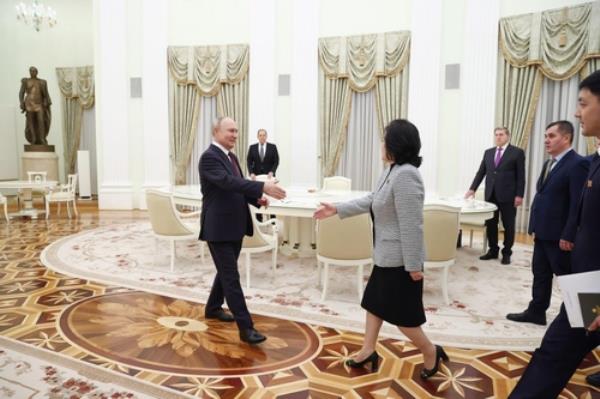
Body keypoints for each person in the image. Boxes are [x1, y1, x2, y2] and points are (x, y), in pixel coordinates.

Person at [313, 119, 448, 378]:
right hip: (385, 255)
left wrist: (414, 266)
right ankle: (367, 350)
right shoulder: (390, 170)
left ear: (396, 144)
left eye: (385, 138)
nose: (381, 143)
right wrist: (337, 209)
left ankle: (431, 351)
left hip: (401, 261)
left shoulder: (407, 174)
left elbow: (412, 225)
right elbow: (372, 199)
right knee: (374, 304)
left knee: (404, 318)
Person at [508, 70, 600, 398]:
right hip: (588, 285)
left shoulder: (581, 163)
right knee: (554, 353)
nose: (578, 112)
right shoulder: (596, 160)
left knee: (554, 354)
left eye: (584, 103)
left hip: (594, 289)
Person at [199, 117, 286, 345]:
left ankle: (213, 307)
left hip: (234, 225)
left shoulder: (232, 157)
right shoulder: (209, 158)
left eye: (237, 131)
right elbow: (228, 182)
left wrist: (257, 199)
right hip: (217, 228)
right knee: (231, 277)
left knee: (225, 272)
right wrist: (263, 185)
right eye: (230, 131)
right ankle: (246, 329)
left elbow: (237, 187)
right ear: (216, 131)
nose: (235, 135)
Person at [506, 121, 588, 326]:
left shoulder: (578, 163)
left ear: (566, 138)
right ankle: (536, 311)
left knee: (567, 277)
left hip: (560, 235)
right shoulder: (549, 163)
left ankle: (579, 318)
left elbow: (577, 203)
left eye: (551, 136)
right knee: (540, 273)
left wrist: (569, 234)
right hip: (543, 231)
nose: (546, 140)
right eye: (545, 136)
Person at [465, 127, 525, 264]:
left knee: (508, 225)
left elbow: (521, 176)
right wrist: (472, 189)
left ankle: (507, 253)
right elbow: (481, 172)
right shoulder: (488, 153)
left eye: (501, 135)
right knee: (491, 224)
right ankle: (493, 250)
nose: (498, 137)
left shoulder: (517, 153)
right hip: (490, 195)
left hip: (508, 196)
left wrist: (519, 195)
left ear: (507, 136)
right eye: (496, 135)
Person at [19, 66, 52, 145]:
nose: (32, 72)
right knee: (31, 123)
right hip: (29, 104)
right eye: (31, 71)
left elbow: (46, 94)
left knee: (41, 121)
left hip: (39, 104)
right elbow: (21, 93)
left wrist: (47, 101)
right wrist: (21, 102)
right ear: (29, 72)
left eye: (34, 71)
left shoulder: (42, 82)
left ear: (37, 72)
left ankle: (42, 138)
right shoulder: (26, 81)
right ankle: (33, 139)